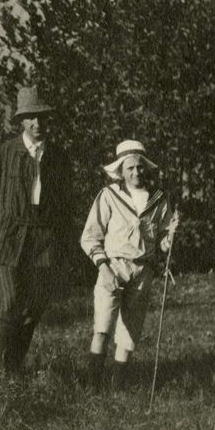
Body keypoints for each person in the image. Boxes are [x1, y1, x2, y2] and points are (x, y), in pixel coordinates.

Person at [0, 86, 72, 376]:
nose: (38, 123)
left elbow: (64, 204)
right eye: (31, 117)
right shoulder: (4, 154)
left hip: (43, 240)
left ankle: (16, 365)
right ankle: (3, 370)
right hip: (8, 237)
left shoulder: (59, 157)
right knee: (8, 300)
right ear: (21, 121)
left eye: (43, 117)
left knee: (35, 305)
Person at [80, 140, 177, 390]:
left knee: (129, 332)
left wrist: (170, 238)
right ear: (121, 170)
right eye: (130, 168)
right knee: (102, 327)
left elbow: (162, 243)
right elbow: (90, 237)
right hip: (112, 268)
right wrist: (104, 267)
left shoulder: (159, 200)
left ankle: (118, 388)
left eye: (140, 167)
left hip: (142, 272)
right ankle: (93, 388)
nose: (136, 173)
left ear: (146, 168)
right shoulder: (109, 196)